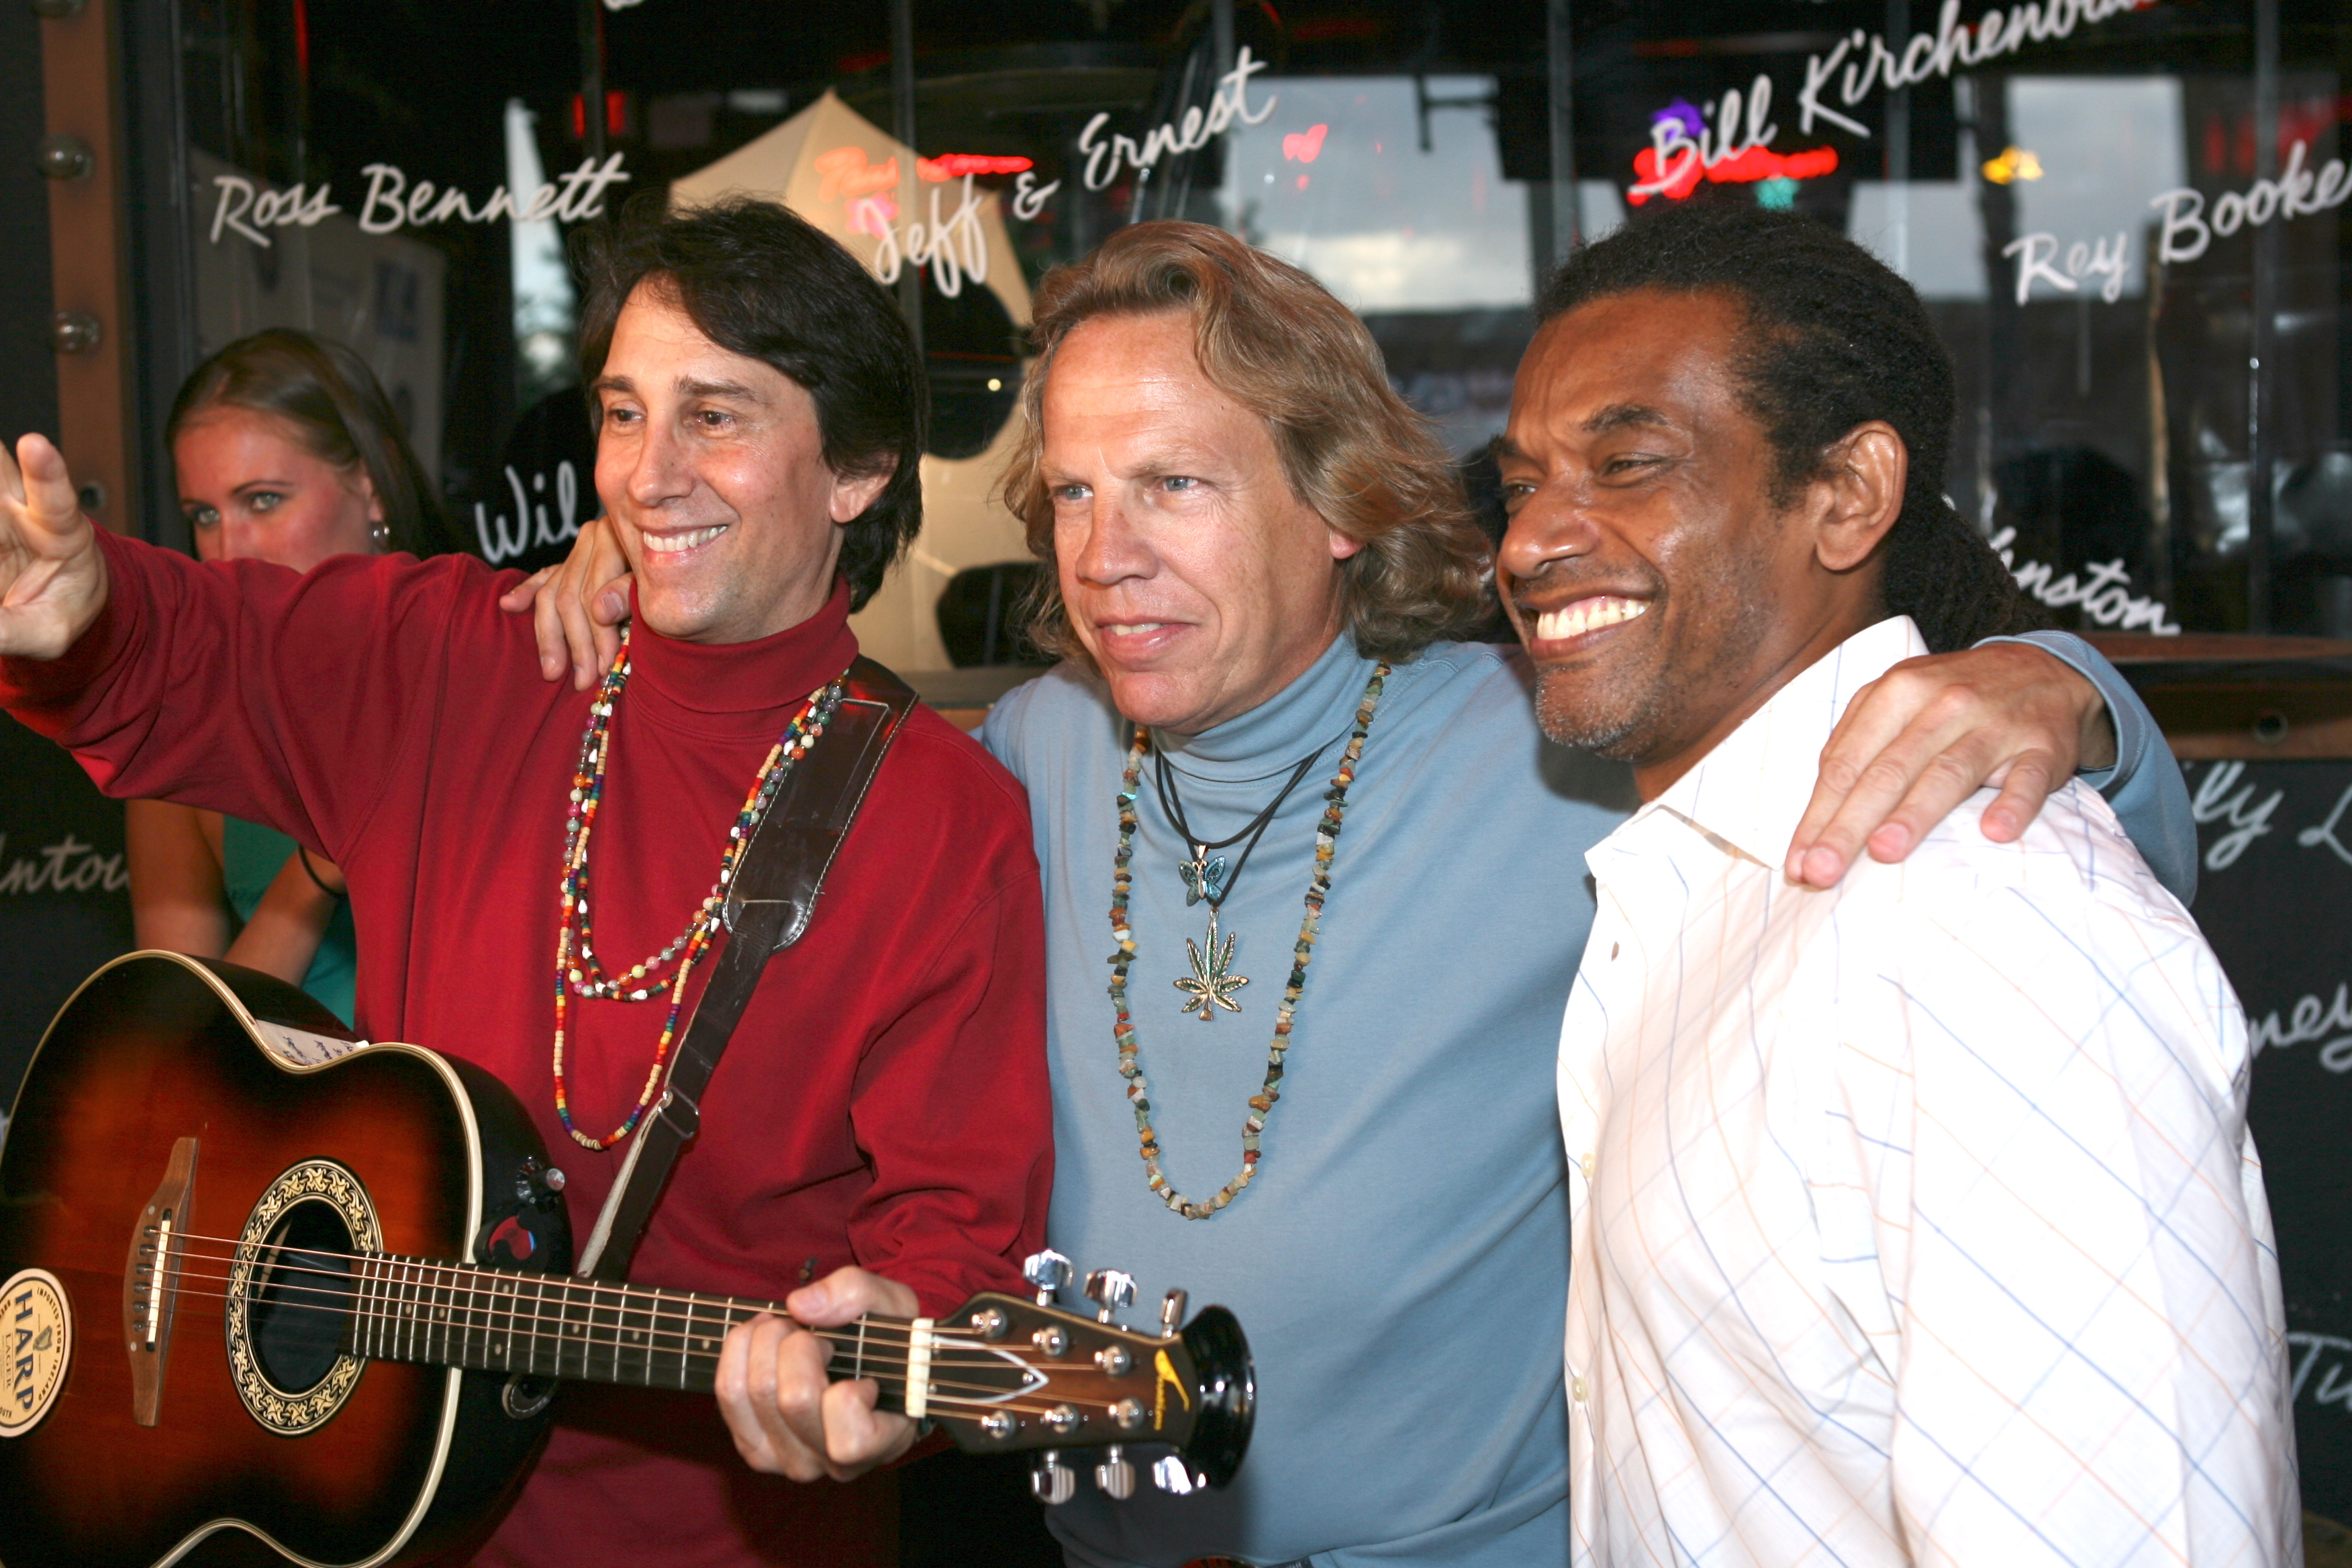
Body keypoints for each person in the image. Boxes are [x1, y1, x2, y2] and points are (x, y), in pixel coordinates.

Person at [518, 219, 2196, 1568]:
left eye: (1174, 482)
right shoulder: (1021, 757)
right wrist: (654, 573)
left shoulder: (1543, 743)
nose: (1105, 553)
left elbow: (2019, 854)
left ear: (1334, 504)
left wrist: (2062, 693)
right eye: (1077, 492)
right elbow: (770, 761)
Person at [0, 196, 1051, 1568]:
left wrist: (881, 1363)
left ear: (855, 471)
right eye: (623, 413)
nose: (648, 473)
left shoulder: (940, 821)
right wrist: (78, 617)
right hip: (362, 1516)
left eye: (715, 416)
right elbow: (201, 652)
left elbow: (955, 1238)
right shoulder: (475, 660)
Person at [1501, 201, 2293, 1566]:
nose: (1525, 545)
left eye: (1628, 461)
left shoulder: (1980, 921)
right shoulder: (1703, 891)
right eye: (1520, 485)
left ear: (1850, 495)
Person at [128, 329, 472, 1024]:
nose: (228, 549)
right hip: (302, 1121)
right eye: (204, 515)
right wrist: (317, 863)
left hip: (489, 1119)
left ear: (370, 488)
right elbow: (186, 1050)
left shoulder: (487, 659)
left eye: (263, 500)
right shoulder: (183, 731)